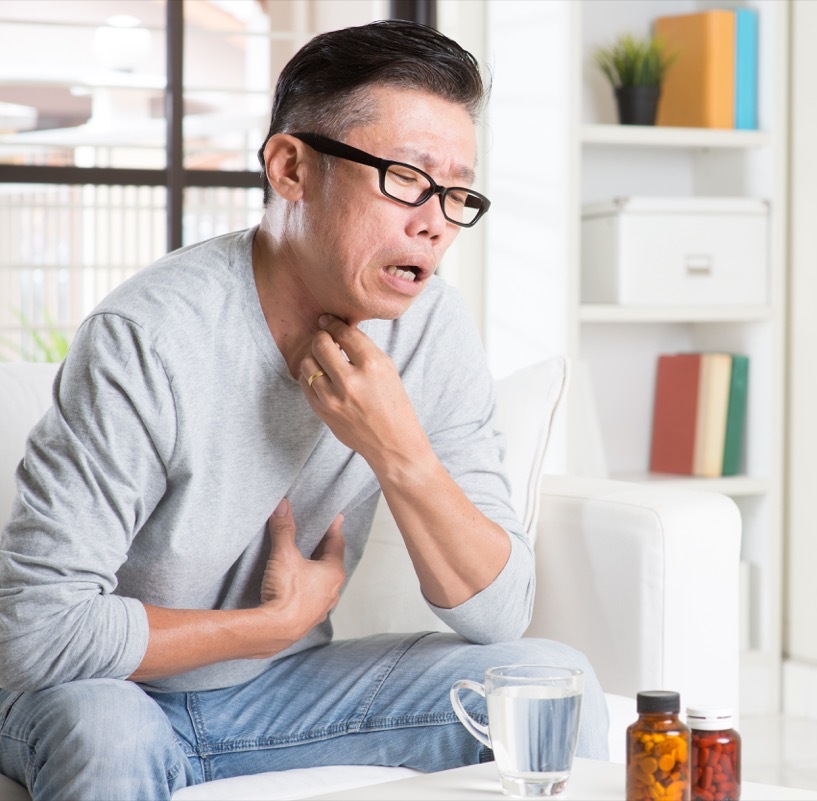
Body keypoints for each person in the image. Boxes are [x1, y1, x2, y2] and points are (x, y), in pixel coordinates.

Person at [0, 19, 607, 800]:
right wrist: (268, 626)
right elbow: (35, 630)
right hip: (103, 689)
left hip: (284, 693)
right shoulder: (148, 336)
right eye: (406, 179)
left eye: (456, 193)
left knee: (550, 679)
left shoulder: (430, 329)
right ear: (290, 167)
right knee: (111, 735)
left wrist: (397, 448)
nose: (434, 222)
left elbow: (499, 613)